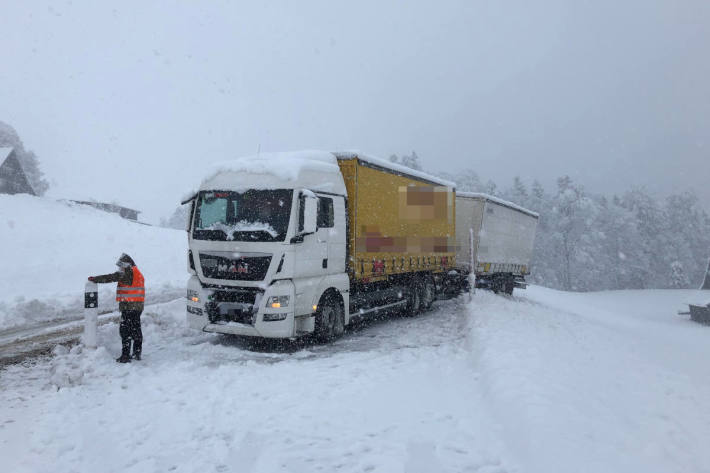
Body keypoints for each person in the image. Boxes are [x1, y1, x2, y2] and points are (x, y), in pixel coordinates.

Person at [88, 253, 145, 363]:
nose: (119, 268)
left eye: (121, 266)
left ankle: (125, 356)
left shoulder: (127, 273)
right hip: (137, 307)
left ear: (126, 265)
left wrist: (95, 279)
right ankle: (137, 353)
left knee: (125, 331)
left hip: (129, 307)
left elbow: (110, 277)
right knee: (136, 330)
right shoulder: (137, 272)